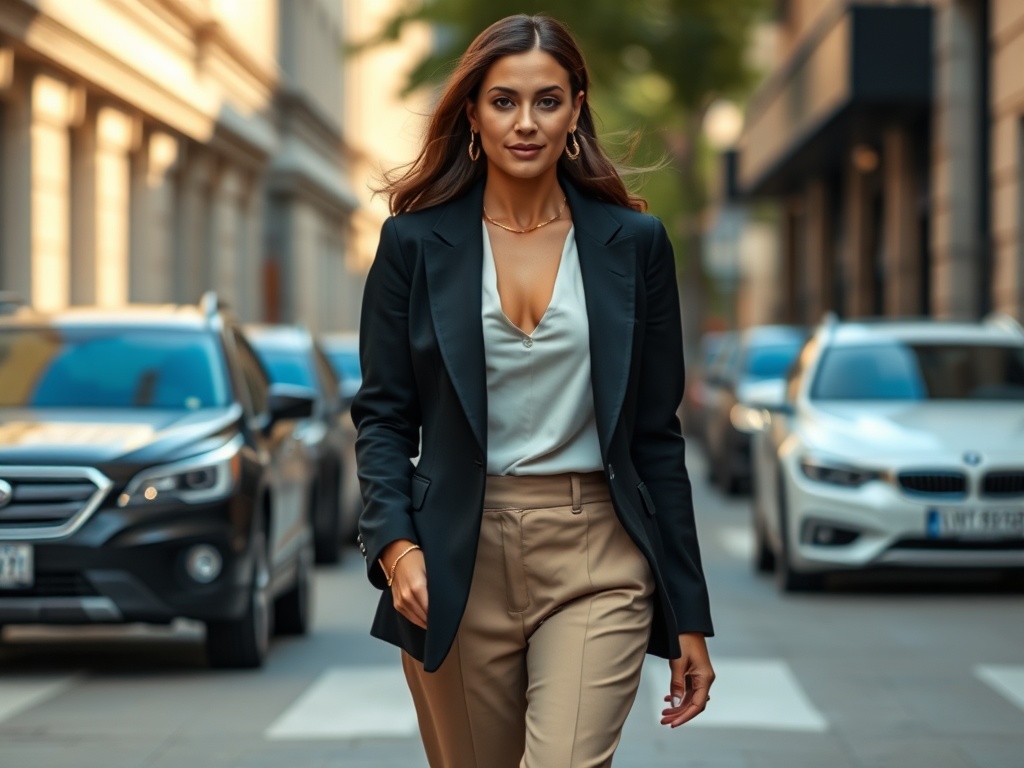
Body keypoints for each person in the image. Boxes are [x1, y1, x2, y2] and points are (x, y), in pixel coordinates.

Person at [352, 14, 715, 768]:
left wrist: (688, 613)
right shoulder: (413, 244)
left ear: (577, 109)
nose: (526, 123)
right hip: (455, 556)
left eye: (547, 101)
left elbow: (656, 437)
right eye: (504, 101)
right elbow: (384, 415)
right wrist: (395, 546)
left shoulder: (634, 245)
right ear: (474, 114)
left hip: (598, 555)